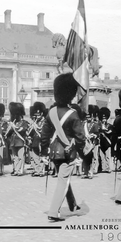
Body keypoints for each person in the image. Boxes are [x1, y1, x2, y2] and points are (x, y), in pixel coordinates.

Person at [41, 73, 85, 222]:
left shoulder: (51, 112)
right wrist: (80, 151)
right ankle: (53, 212)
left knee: (63, 177)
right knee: (63, 180)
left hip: (54, 151)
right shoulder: (73, 114)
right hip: (68, 152)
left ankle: (72, 204)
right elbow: (80, 137)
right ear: (70, 94)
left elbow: (44, 134)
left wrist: (44, 151)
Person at [7, 102, 28, 176]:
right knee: (15, 157)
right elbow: (8, 134)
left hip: (20, 142)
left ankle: (20, 170)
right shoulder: (12, 122)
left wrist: (14, 127)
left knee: (20, 157)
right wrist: (10, 128)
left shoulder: (24, 123)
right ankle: (16, 169)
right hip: (13, 142)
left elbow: (22, 130)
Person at [28, 102, 48, 177]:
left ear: (42, 114)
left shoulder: (45, 122)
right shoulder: (35, 122)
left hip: (42, 140)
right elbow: (31, 133)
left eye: (39, 115)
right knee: (35, 156)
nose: (37, 116)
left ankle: (41, 170)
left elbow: (42, 130)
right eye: (36, 115)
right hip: (35, 140)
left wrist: (35, 126)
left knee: (41, 156)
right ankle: (37, 170)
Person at [81, 105, 101, 179]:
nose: (88, 117)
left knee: (92, 158)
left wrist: (93, 135)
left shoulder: (95, 124)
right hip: (85, 143)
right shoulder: (83, 124)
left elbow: (97, 133)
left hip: (93, 143)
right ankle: (86, 172)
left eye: (89, 116)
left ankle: (90, 172)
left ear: (92, 115)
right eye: (87, 116)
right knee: (85, 158)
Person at [98, 107, 113, 174]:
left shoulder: (109, 125)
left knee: (108, 156)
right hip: (100, 143)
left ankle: (109, 168)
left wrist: (105, 131)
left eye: (105, 118)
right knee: (101, 157)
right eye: (103, 118)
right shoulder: (98, 125)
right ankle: (101, 168)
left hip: (107, 143)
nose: (104, 119)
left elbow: (110, 133)